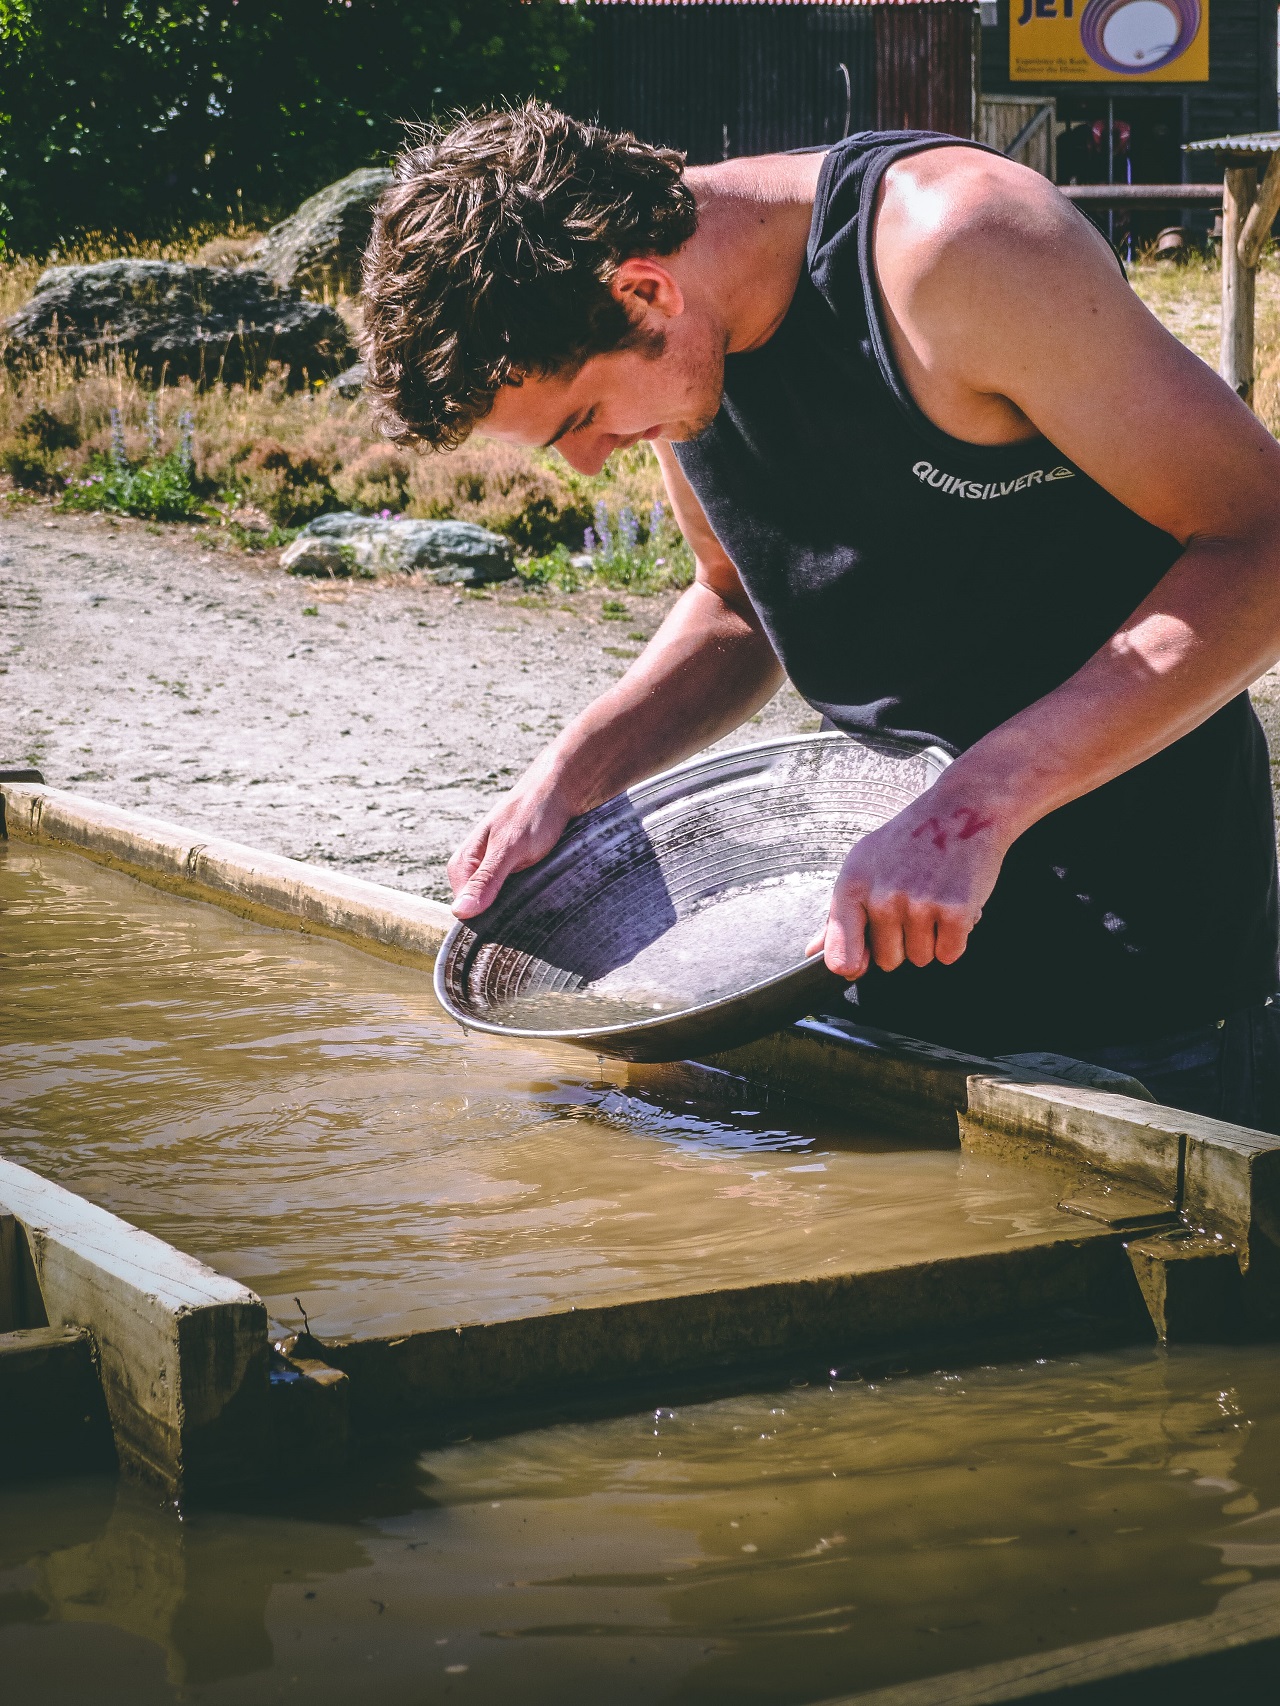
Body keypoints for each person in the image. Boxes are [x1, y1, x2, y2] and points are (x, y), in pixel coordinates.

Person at [361, 102, 1280, 1125]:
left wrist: (972, 803)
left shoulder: (954, 247)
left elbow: (1260, 539)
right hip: (867, 944)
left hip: (1141, 957)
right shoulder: (672, 335)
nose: (585, 460)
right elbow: (734, 602)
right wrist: (572, 775)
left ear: (644, 288)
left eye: (579, 418)